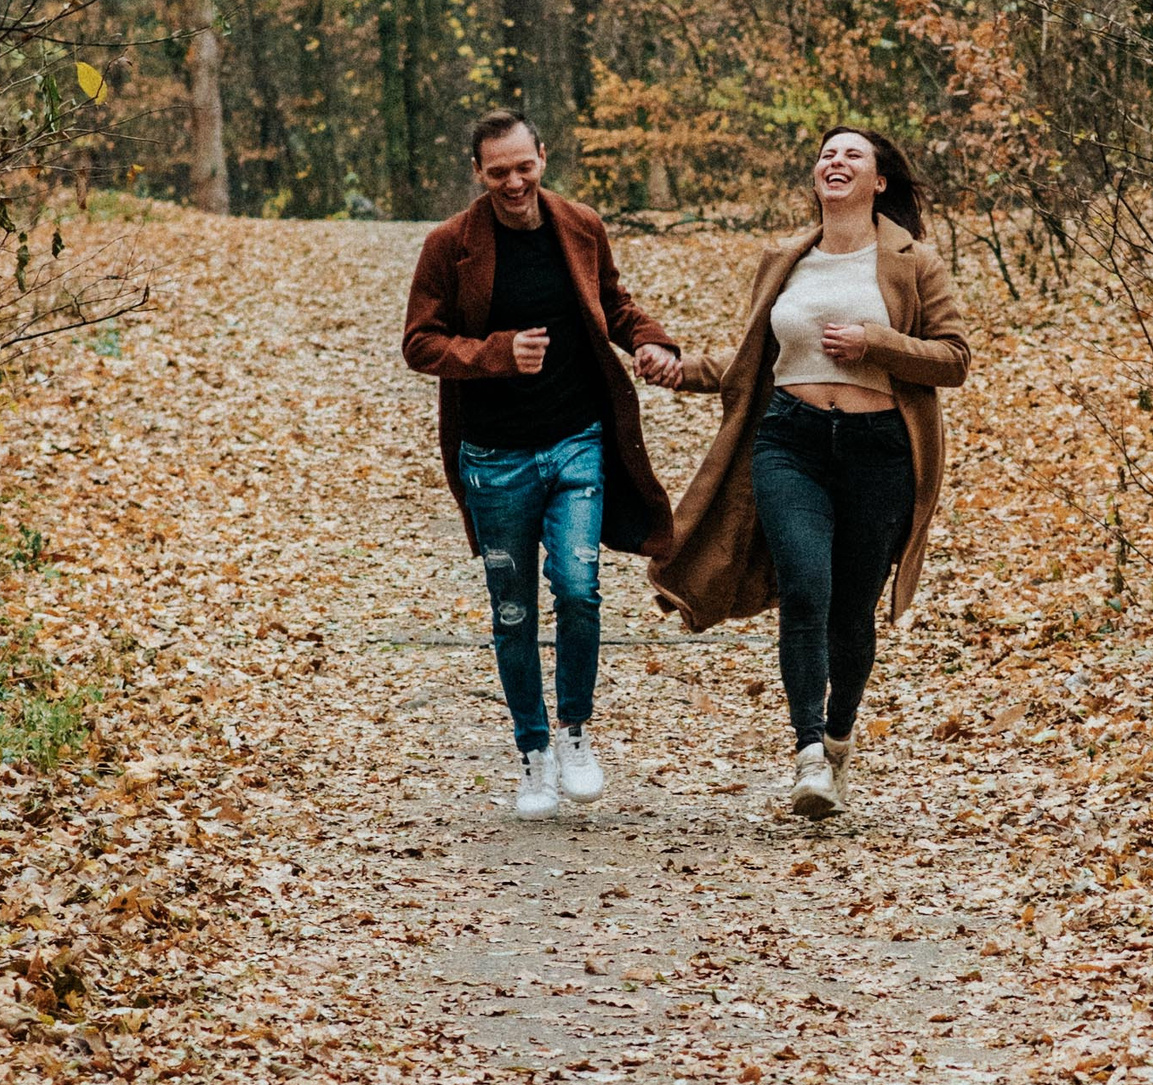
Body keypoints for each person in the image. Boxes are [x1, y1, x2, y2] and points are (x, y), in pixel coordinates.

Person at [639, 127, 967, 819]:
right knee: (806, 587)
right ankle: (809, 754)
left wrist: (875, 342)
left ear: (880, 181)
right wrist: (681, 371)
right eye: (826, 154)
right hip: (790, 441)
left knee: (852, 610)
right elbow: (751, 360)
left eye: (852, 154)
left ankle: (840, 736)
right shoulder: (785, 258)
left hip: (881, 450)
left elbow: (954, 358)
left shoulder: (915, 262)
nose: (835, 161)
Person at [403, 111, 680, 819]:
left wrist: (652, 341)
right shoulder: (449, 245)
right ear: (478, 172)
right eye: (499, 171)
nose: (515, 182)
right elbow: (420, 342)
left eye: (524, 166)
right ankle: (532, 753)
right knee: (514, 608)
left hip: (576, 442)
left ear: (542, 157)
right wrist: (497, 353)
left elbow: (613, 304)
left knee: (581, 589)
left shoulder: (579, 223)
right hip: (494, 458)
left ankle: (575, 733)